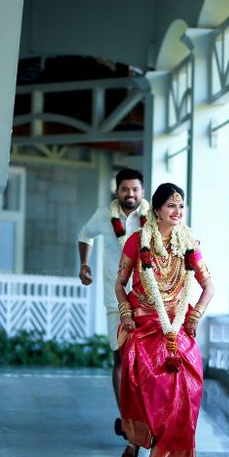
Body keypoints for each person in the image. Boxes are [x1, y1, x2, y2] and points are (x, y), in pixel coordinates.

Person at [114, 183, 214, 457]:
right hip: (143, 317)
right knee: (147, 372)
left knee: (190, 371)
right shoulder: (137, 240)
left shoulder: (188, 244)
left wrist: (195, 317)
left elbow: (209, 286)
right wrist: (126, 313)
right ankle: (136, 438)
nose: (177, 211)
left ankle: (174, 450)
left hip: (178, 319)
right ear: (156, 210)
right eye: (171, 205)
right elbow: (119, 284)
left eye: (181, 206)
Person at [77, 168, 150, 422]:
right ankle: (126, 418)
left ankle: (145, 413)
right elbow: (85, 235)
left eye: (135, 189)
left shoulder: (152, 217)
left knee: (146, 358)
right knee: (119, 355)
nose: (130, 194)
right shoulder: (103, 215)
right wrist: (84, 265)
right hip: (114, 296)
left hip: (148, 298)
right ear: (116, 191)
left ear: (142, 191)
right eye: (125, 189)